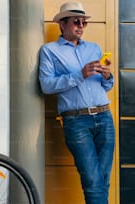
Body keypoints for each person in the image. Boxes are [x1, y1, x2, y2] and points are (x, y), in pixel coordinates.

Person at [38, 2, 115, 204]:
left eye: (83, 22)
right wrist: (79, 75)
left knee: (103, 180)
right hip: (77, 122)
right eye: (76, 22)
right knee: (92, 180)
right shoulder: (50, 51)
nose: (81, 26)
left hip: (105, 117)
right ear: (62, 25)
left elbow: (105, 87)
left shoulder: (94, 48)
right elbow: (46, 85)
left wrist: (107, 76)